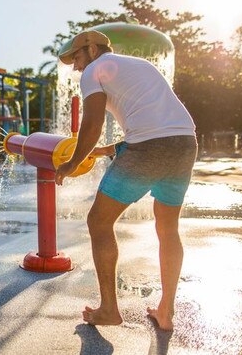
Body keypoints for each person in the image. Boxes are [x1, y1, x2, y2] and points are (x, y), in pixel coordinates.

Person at [54, 30, 197, 331]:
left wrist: (71, 163)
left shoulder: (94, 70)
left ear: (92, 50)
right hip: (185, 143)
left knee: (99, 222)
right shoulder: (141, 65)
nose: (76, 66)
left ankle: (109, 309)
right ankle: (165, 311)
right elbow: (156, 122)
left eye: (77, 58)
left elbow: (91, 124)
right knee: (168, 227)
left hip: (149, 147)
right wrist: (107, 150)